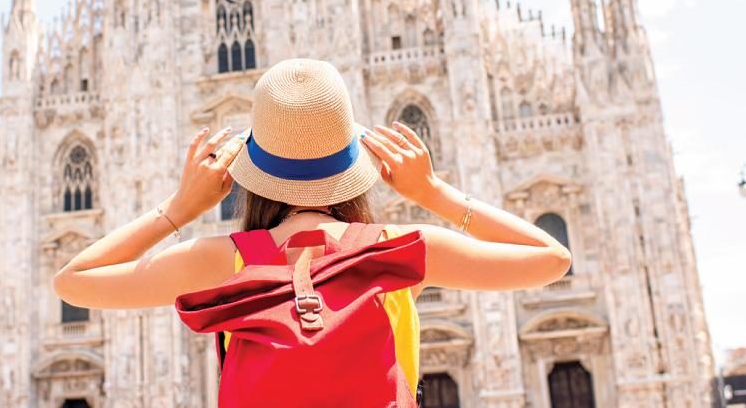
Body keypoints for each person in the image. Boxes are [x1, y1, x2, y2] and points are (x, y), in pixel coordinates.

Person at [53, 58, 572, 400]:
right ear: (353, 171)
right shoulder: (398, 251)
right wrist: (433, 191)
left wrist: (179, 207)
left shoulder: (222, 259)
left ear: (255, 179)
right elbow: (551, 257)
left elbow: (74, 280)